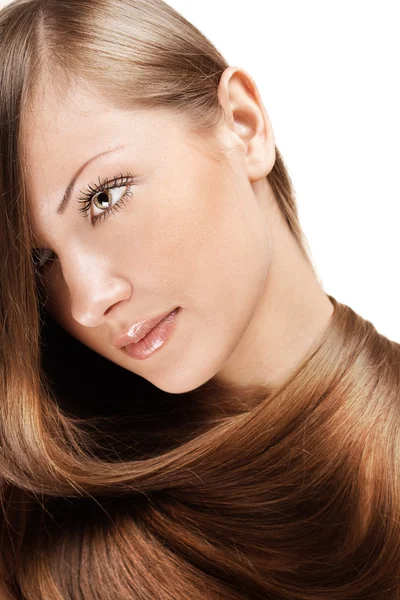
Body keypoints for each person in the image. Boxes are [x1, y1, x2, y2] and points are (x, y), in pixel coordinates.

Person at [0, 0, 399, 598]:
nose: (86, 302)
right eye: (40, 261)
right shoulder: (34, 530)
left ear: (243, 124)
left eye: (103, 199)